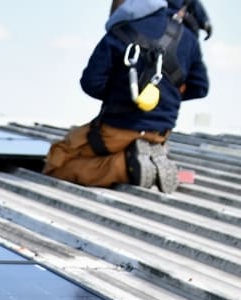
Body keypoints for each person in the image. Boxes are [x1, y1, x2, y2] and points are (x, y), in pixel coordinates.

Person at [43, 0, 211, 193]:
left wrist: (121, 94)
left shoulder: (121, 29)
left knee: (58, 159)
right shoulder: (189, 39)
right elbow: (200, 87)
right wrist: (163, 98)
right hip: (159, 135)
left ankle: (126, 166)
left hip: (114, 131)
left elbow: (91, 83)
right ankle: (145, 159)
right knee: (103, 153)